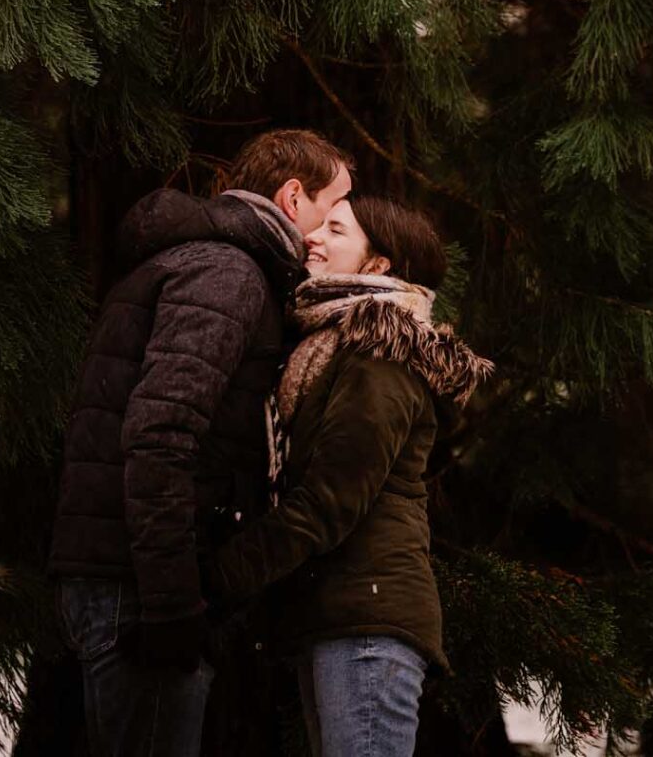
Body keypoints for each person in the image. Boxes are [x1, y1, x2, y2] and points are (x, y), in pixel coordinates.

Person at [49, 129, 353, 757]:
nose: (330, 232)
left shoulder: (203, 262)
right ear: (294, 198)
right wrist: (172, 608)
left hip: (127, 582)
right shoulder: (227, 273)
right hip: (140, 595)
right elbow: (159, 433)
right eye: (333, 208)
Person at [210, 194, 492, 757]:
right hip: (340, 616)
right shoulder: (329, 342)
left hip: (369, 621)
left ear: (377, 265)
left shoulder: (380, 352)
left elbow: (331, 501)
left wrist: (219, 577)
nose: (313, 237)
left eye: (335, 230)